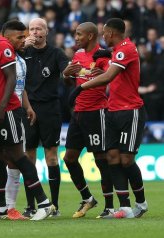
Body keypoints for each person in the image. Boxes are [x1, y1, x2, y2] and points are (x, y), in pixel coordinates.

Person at [0, 9, 54, 221]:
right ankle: (0, 208)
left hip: (6, 110)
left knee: (18, 156)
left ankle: (44, 204)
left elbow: (11, 78)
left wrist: (1, 109)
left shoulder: (2, 46)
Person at [69, 18, 148, 218]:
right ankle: (124, 208)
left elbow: (109, 76)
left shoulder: (126, 48)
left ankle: (141, 202)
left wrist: (81, 87)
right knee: (112, 157)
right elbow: (110, 68)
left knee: (126, 159)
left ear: (111, 33)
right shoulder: (116, 52)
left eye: (104, 33)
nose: (103, 37)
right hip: (112, 110)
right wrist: (108, 56)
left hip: (131, 110)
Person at [62, 22, 114, 219]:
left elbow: (109, 78)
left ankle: (109, 206)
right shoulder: (77, 56)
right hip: (78, 113)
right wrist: (66, 75)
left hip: (97, 112)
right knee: (69, 158)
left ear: (91, 36)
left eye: (79, 34)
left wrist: (104, 75)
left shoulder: (102, 56)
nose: (76, 37)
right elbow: (70, 81)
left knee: (101, 159)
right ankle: (87, 198)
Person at [22, 17, 69, 217]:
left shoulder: (56, 53)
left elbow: (66, 73)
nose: (35, 32)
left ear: (46, 31)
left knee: (51, 155)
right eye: (32, 29)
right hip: (28, 108)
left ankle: (54, 205)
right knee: (29, 157)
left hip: (50, 109)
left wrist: (69, 73)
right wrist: (21, 49)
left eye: (39, 28)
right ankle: (32, 206)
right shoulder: (22, 53)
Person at [0, 19, 35, 220]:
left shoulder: (22, 62)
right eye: (20, 37)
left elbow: (20, 87)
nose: (24, 41)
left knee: (15, 160)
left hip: (15, 112)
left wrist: (27, 106)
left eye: (25, 37)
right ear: (6, 38)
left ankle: (11, 208)